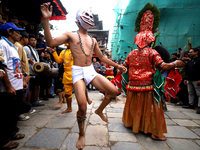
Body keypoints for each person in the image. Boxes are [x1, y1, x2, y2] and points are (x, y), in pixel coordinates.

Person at [41, 3, 127, 149]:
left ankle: (99, 110)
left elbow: (102, 58)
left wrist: (117, 65)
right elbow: (50, 42)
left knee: (113, 91)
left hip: (91, 71)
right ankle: (81, 134)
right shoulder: (70, 35)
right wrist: (46, 19)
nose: (89, 19)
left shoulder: (93, 40)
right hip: (77, 71)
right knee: (82, 106)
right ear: (79, 20)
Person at [122, 2, 182, 141]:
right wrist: (175, 63)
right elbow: (163, 67)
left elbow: (124, 67)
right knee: (152, 109)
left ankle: (134, 124)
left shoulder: (131, 54)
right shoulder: (153, 52)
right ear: (150, 39)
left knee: (135, 107)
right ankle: (155, 132)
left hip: (133, 85)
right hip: (147, 86)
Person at [0, 22, 31, 149]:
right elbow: (3, 66)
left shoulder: (13, 46)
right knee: (6, 115)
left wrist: (22, 80)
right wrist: (8, 86)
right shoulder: (2, 44)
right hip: (9, 88)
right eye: (17, 31)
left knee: (13, 113)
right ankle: (4, 141)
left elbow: (16, 66)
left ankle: (12, 134)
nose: (19, 34)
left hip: (17, 86)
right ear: (9, 32)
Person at [24, 34, 45, 107]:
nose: (33, 42)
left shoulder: (34, 49)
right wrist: (28, 60)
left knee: (36, 87)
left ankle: (35, 101)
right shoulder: (26, 48)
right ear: (28, 41)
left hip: (35, 72)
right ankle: (29, 104)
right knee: (30, 88)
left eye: (34, 40)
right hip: (30, 72)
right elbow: (22, 59)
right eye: (31, 40)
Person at [182, 48, 200, 114]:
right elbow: (187, 70)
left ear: (196, 52)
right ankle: (191, 104)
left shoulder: (199, 60)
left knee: (199, 93)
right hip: (189, 79)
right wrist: (186, 78)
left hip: (196, 80)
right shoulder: (190, 61)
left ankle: (199, 106)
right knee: (190, 92)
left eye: (191, 52)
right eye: (189, 52)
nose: (189, 53)